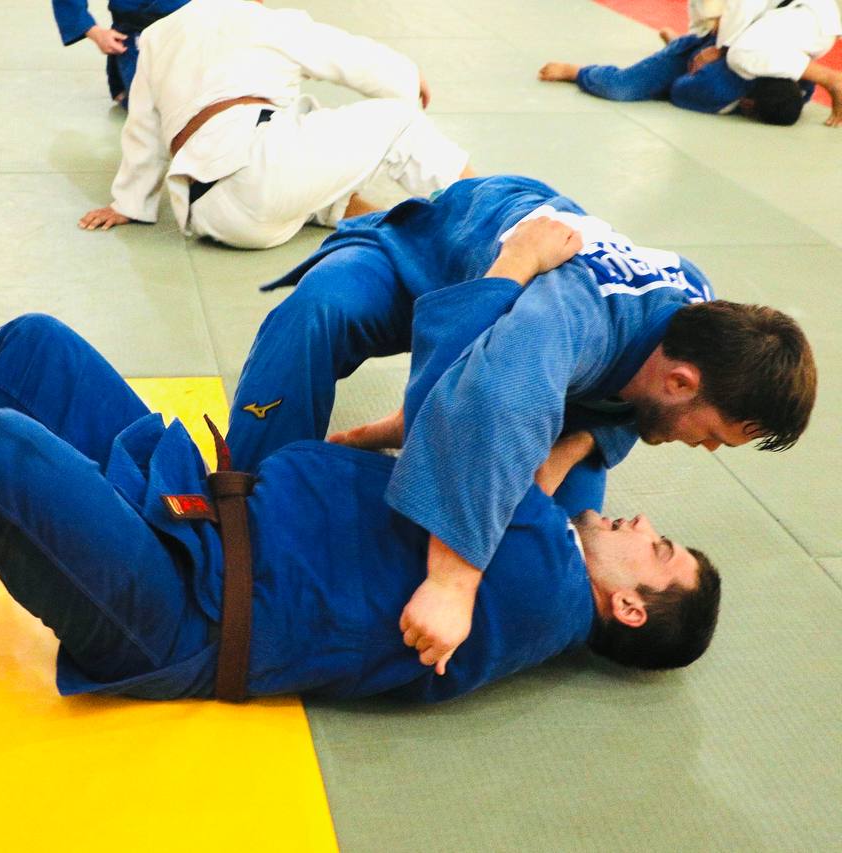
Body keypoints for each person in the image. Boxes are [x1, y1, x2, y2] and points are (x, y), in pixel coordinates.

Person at [0, 300, 722, 704]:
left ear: (627, 607)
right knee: (29, 351)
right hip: (194, 517)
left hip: (181, 611)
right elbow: (539, 461)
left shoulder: (533, 594)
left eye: (657, 548)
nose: (637, 523)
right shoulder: (529, 547)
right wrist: (605, 423)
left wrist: (519, 281)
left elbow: (490, 418)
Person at [227, 174, 814, 672]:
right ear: (681, 383)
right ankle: (244, 501)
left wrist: (572, 446)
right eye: (713, 434)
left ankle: (400, 454)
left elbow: (636, 410)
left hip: (536, 336)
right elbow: (464, 394)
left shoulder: (700, 314)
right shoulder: (563, 330)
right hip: (435, 257)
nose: (707, 448)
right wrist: (452, 583)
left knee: (563, 549)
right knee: (319, 309)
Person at [77, 0, 473, 250]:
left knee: (302, 130)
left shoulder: (157, 36)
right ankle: (494, 213)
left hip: (213, 217)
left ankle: (393, 231)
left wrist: (129, 204)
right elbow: (355, 61)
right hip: (262, 179)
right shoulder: (264, 20)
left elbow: (143, 131)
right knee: (401, 123)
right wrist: (409, 76)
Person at [538, 0, 842, 126]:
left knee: (736, 64)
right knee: (623, 87)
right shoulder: (797, 85)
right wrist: (717, 42)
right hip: (748, 36)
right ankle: (579, 72)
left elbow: (741, 10)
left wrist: (722, 47)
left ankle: (832, 79)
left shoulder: (794, 87)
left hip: (776, 30)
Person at [50, 0, 190, 106]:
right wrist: (94, 32)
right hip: (136, 32)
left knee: (194, 100)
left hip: (190, 27)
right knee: (154, 107)